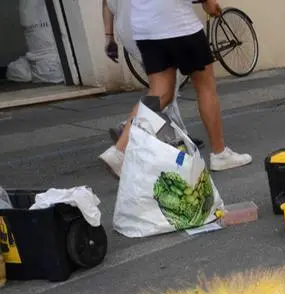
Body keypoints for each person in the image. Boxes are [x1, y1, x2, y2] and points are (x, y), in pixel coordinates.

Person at [98, 0, 251, 176]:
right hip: (178, 23)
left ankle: (120, 150)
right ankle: (220, 153)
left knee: (160, 94)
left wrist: (108, 36)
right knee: (205, 86)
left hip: (145, 28)